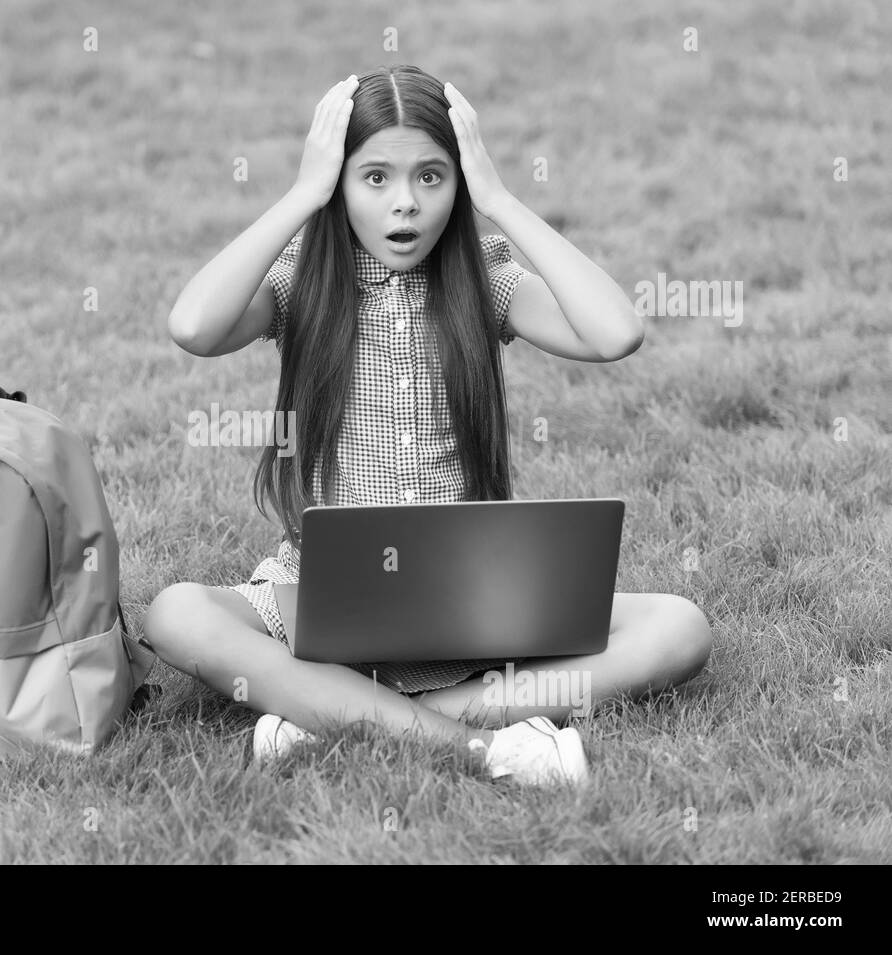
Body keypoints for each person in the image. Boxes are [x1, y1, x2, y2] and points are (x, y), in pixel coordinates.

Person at [143, 64, 712, 786]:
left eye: (432, 178)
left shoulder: (483, 281)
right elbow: (193, 325)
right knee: (177, 614)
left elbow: (616, 332)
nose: (405, 205)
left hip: (468, 601)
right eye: (374, 178)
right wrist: (300, 193)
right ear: (338, 183)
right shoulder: (302, 285)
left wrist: (500, 197)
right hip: (321, 593)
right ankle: (477, 740)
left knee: (679, 626)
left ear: (460, 182)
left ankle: (343, 714)